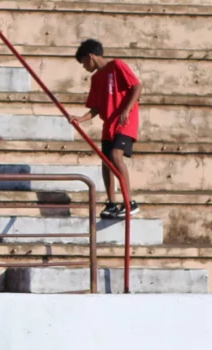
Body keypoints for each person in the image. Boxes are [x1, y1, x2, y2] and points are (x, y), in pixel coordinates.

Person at [72, 39, 143, 220]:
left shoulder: (117, 65)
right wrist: (80, 119)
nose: (83, 67)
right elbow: (96, 108)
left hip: (125, 121)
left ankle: (129, 202)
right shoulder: (96, 78)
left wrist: (126, 110)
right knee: (106, 162)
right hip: (109, 124)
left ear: (91, 56)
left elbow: (136, 86)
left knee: (115, 156)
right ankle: (112, 203)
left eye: (83, 63)